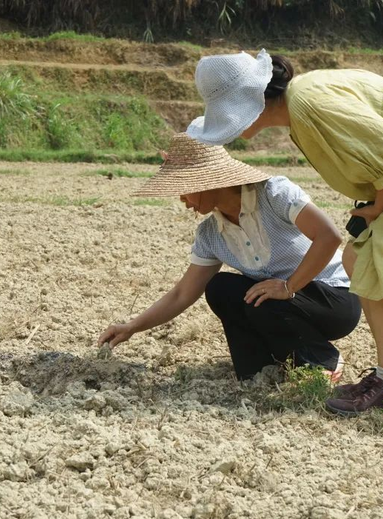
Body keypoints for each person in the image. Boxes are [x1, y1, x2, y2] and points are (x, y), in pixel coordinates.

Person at [186, 50, 383, 414]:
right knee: (362, 259)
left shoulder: (307, 102)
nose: (234, 128)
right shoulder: (300, 109)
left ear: (252, 100)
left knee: (366, 260)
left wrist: (378, 207)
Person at [97, 132, 362, 382]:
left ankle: (322, 360)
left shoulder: (274, 194)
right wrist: (132, 326)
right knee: (221, 288)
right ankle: (262, 368)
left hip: (333, 298)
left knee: (265, 298)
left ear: (206, 181)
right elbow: (182, 294)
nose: (181, 198)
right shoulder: (211, 233)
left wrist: (288, 286)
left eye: (184, 188)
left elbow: (328, 236)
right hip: (281, 308)